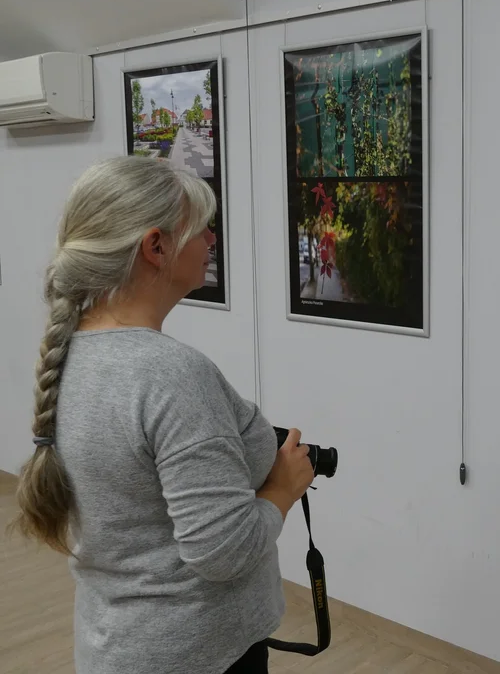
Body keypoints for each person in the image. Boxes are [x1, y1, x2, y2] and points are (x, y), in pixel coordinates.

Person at [7, 156, 315, 674]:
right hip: (199, 656)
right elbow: (224, 552)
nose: (212, 240)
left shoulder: (69, 358)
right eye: (202, 229)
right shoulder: (171, 375)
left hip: (115, 647)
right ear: (156, 246)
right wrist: (283, 490)